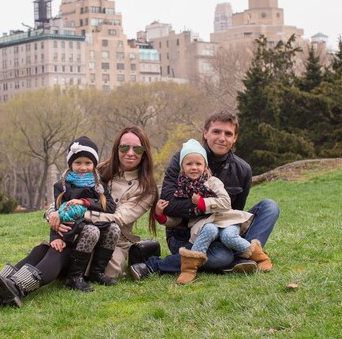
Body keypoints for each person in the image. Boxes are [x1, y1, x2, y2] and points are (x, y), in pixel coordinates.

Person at [0, 136, 120, 307]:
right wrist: (55, 236)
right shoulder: (62, 185)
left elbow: (109, 207)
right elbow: (56, 213)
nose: (83, 167)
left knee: (57, 255)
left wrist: (84, 202)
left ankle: (17, 288)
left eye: (88, 163)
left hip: (85, 245)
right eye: (78, 162)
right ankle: (0, 282)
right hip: (67, 234)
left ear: (94, 165)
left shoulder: (99, 185)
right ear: (70, 164)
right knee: (41, 250)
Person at [130, 110, 280, 279]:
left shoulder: (242, 169)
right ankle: (159, 264)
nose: (222, 138)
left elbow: (234, 211)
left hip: (223, 230)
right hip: (187, 234)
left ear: (235, 138)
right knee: (221, 257)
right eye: (216, 131)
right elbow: (170, 204)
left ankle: (246, 255)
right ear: (205, 133)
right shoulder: (182, 159)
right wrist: (207, 206)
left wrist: (219, 217)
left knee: (269, 206)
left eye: (228, 133)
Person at [153, 139, 272, 285]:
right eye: (189, 164)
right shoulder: (182, 190)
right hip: (202, 226)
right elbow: (179, 220)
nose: (194, 167)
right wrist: (160, 215)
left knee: (229, 235)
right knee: (209, 229)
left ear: (205, 167)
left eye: (198, 164)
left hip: (225, 220)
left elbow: (225, 202)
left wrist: (202, 203)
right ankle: (189, 269)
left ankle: (261, 258)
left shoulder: (213, 182)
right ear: (182, 168)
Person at [47, 126, 159, 280]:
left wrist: (78, 213)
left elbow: (119, 218)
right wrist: (53, 214)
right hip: (82, 230)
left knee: (108, 272)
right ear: (117, 149)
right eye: (124, 147)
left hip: (115, 238)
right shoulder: (97, 170)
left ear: (145, 152)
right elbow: (65, 196)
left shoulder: (147, 189)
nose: (130, 153)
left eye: (137, 149)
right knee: (55, 256)